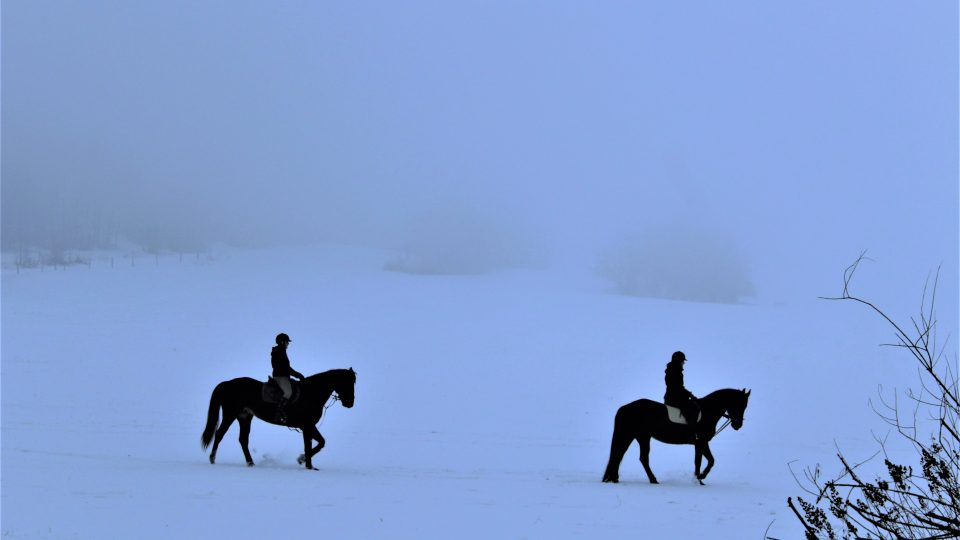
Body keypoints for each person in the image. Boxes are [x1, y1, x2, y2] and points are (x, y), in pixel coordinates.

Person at [664, 350, 700, 438]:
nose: (683, 363)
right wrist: (689, 395)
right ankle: (691, 433)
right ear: (678, 361)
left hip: (675, 396)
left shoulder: (674, 370)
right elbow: (677, 387)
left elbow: (679, 387)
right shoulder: (674, 371)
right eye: (682, 361)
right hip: (674, 398)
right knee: (691, 409)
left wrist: (689, 395)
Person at [272, 333, 305, 423]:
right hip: (280, 376)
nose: (288, 344)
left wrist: (297, 375)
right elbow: (285, 368)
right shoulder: (279, 351)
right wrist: (298, 375)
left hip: (283, 376)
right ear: (282, 342)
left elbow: (286, 368)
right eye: (287, 342)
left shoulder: (281, 350)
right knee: (288, 392)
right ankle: (278, 414)